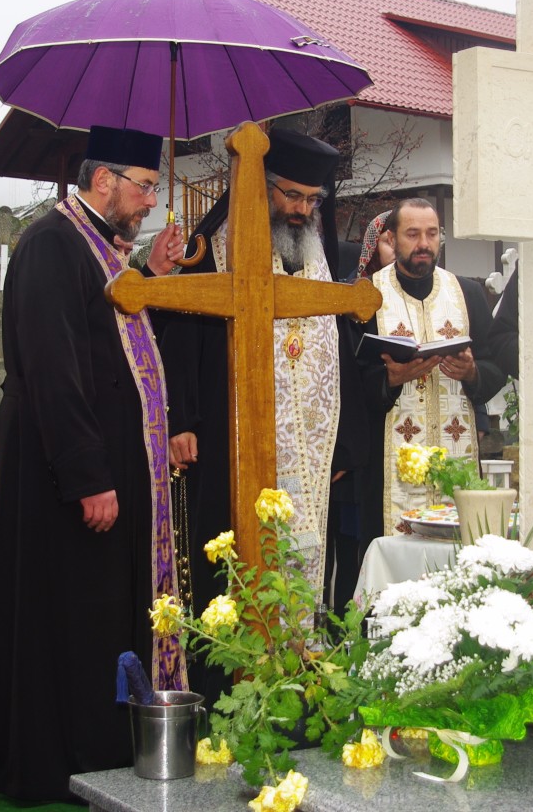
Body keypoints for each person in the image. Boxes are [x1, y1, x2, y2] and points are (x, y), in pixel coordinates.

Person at [0, 126, 187, 803]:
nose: (151, 201)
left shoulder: (97, 247)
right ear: (104, 181)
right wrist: (87, 476)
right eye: (145, 187)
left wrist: (151, 276)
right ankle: (57, 761)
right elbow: (54, 369)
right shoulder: (51, 244)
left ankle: (102, 751)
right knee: (66, 614)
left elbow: (109, 339)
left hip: (105, 467)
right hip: (64, 475)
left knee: (96, 613)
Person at [159, 128, 367, 676]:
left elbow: (336, 348)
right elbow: (179, 332)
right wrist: (182, 420)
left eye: (312, 200)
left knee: (302, 563)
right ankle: (228, 682)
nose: (301, 210)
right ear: (262, 186)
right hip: (228, 438)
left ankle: (297, 678)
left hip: (307, 448)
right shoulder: (212, 248)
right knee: (230, 561)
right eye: (291, 195)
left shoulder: (316, 257)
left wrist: (342, 445)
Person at [358, 198, 507, 532]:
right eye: (412, 234)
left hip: (457, 452)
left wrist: (472, 373)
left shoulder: (467, 293)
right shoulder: (367, 295)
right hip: (387, 464)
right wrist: (389, 380)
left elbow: (496, 366)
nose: (424, 243)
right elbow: (351, 381)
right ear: (392, 239)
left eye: (431, 233)